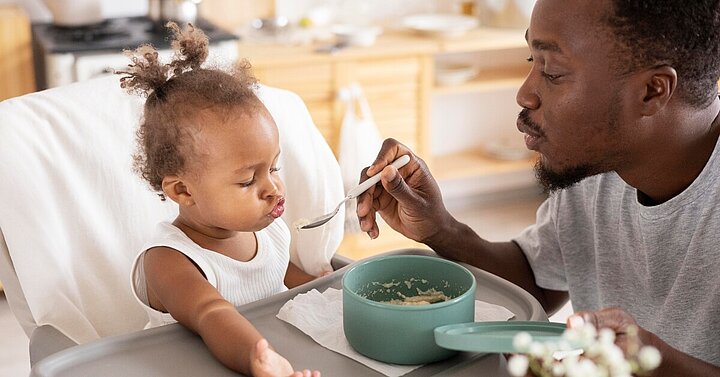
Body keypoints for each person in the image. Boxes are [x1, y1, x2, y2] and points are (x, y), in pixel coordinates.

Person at [356, 1, 720, 375]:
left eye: (553, 72)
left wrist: (654, 364)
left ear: (651, 91)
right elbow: (538, 283)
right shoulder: (597, 166)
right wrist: (440, 228)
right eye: (533, 61)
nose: (525, 95)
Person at [119, 23, 320, 377]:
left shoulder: (266, 229)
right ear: (183, 191)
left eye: (274, 167)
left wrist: (331, 293)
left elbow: (280, 275)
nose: (273, 187)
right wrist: (257, 358)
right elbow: (212, 313)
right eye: (247, 181)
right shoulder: (169, 260)